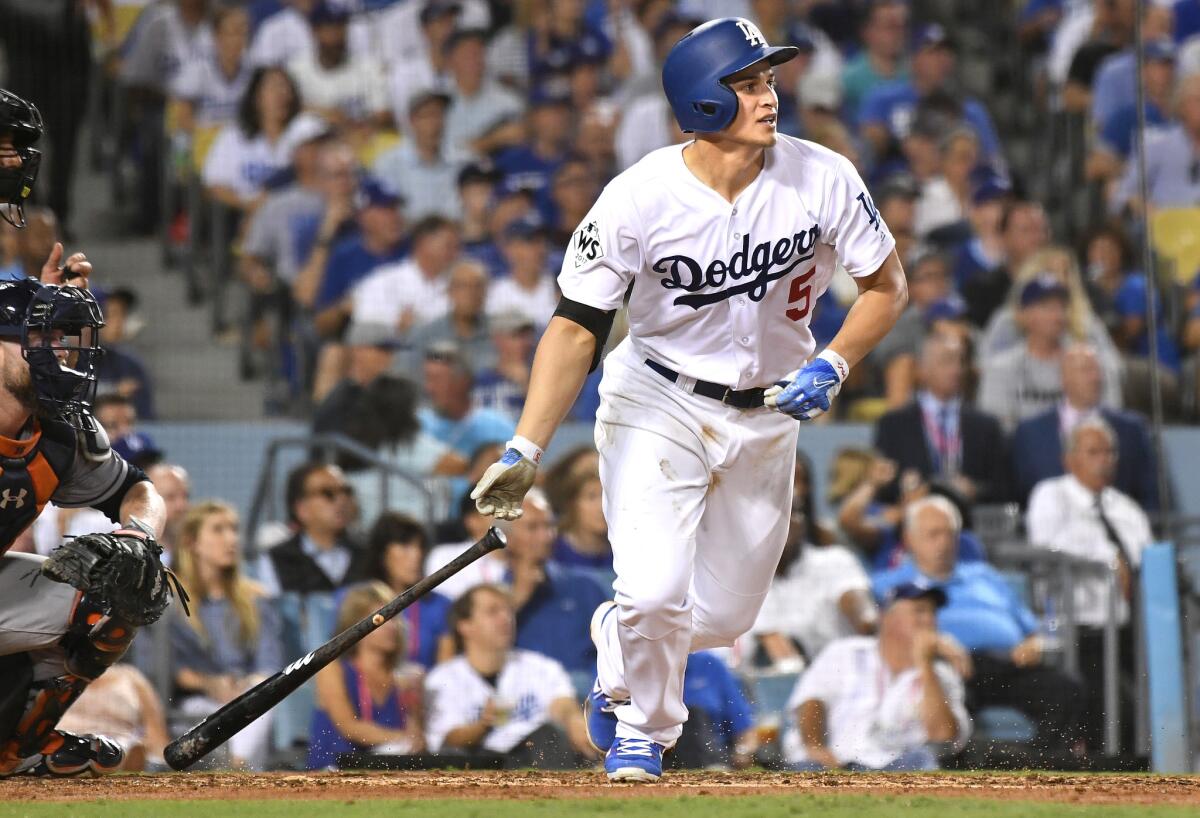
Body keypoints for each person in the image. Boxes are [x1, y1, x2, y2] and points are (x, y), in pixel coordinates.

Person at [468, 18, 908, 782]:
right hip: (657, 399)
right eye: (747, 84)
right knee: (654, 588)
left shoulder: (825, 175)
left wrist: (835, 362)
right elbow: (577, 328)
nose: (769, 97)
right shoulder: (638, 196)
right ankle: (643, 732)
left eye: (768, 80)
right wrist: (526, 447)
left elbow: (886, 286)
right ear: (703, 102)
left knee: (727, 615)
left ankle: (623, 636)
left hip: (768, 412)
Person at [0, 100, 180, 776]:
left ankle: (17, 750)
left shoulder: (62, 430)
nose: (60, 357)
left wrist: (140, 534)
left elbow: (140, 489)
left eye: (67, 341)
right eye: (42, 341)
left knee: (121, 581)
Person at [874, 497, 1084, 754]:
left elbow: (1035, 628)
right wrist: (935, 644)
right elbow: (882, 636)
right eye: (933, 534)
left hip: (1010, 664)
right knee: (950, 702)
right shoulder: (888, 584)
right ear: (909, 539)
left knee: (1065, 689)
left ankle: (1039, 771)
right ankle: (964, 776)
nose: (944, 542)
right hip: (948, 666)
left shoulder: (986, 575)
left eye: (950, 534)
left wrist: (1035, 643)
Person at [1026, 417, 1150, 752]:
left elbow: (1146, 559)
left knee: (1141, 711)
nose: (1104, 459)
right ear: (1070, 459)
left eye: (1109, 452)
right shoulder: (1051, 495)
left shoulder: (1125, 508)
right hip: (1076, 631)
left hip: (1126, 632)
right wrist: (1109, 557)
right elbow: (1048, 547)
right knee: (1114, 710)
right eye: (1094, 452)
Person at [781, 581, 971, 771]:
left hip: (896, 767)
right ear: (886, 617)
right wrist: (816, 746)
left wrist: (925, 664)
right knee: (804, 767)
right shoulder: (845, 651)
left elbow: (943, 736)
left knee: (923, 761)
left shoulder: (940, 674)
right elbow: (812, 699)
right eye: (919, 611)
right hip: (833, 762)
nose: (928, 620)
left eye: (933, 613)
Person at [423, 583, 596, 767]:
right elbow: (450, 739)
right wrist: (483, 725)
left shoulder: (539, 666)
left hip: (536, 753)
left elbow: (562, 703)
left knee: (550, 735)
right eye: (493, 611)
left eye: (508, 611)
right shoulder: (443, 678)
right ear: (465, 626)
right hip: (479, 763)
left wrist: (573, 719)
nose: (505, 618)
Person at [169, 501, 284, 769]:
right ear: (192, 542)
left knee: (263, 698)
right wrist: (210, 684)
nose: (231, 538)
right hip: (194, 701)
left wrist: (246, 689)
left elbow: (269, 663)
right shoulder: (170, 601)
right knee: (215, 712)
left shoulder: (256, 599)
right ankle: (237, 771)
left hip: (245, 695)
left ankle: (235, 766)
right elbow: (167, 667)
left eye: (234, 529)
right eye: (218, 530)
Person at [752, 458, 876, 667]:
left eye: (796, 512)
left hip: (837, 682)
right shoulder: (741, 579)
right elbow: (777, 648)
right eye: (776, 514)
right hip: (761, 688)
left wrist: (867, 620)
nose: (788, 522)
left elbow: (864, 616)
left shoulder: (835, 561)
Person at [1011, 343, 1158, 509]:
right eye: (1086, 370)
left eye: (1097, 371)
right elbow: (1017, 495)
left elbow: (1149, 494)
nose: (1095, 378)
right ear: (1064, 378)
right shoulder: (1030, 432)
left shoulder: (1131, 429)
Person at [873, 332, 1010, 504]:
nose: (956, 370)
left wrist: (974, 489)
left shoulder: (986, 426)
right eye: (946, 361)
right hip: (914, 521)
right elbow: (882, 487)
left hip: (972, 520)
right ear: (921, 369)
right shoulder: (893, 425)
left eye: (960, 361)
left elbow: (1004, 487)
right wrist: (907, 486)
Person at [308, 582, 425, 769]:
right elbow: (348, 727)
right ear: (357, 625)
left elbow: (416, 738)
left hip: (385, 767)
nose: (392, 627)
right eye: (384, 620)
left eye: (395, 618)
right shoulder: (333, 669)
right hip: (334, 768)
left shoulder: (403, 677)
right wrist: (401, 739)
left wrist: (414, 705)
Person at [256, 462, 368, 595]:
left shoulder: (368, 553)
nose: (342, 500)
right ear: (301, 508)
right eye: (328, 493)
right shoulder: (276, 559)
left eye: (347, 491)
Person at [362, 512, 451, 669]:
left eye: (420, 547)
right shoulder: (355, 600)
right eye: (405, 546)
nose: (417, 555)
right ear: (382, 552)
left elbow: (446, 670)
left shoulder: (440, 605)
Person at [418, 344, 515, 462]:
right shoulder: (418, 425)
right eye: (427, 378)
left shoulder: (497, 426)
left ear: (462, 381)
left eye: (437, 379)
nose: (429, 388)